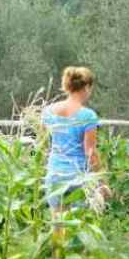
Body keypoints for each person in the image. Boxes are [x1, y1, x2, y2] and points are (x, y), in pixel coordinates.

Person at [42, 67, 109, 211]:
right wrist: (102, 182)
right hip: (78, 178)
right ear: (86, 87)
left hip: (54, 174)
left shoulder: (48, 111)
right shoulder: (88, 116)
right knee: (77, 225)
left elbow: (40, 146)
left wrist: (32, 157)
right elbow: (90, 152)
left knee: (58, 224)